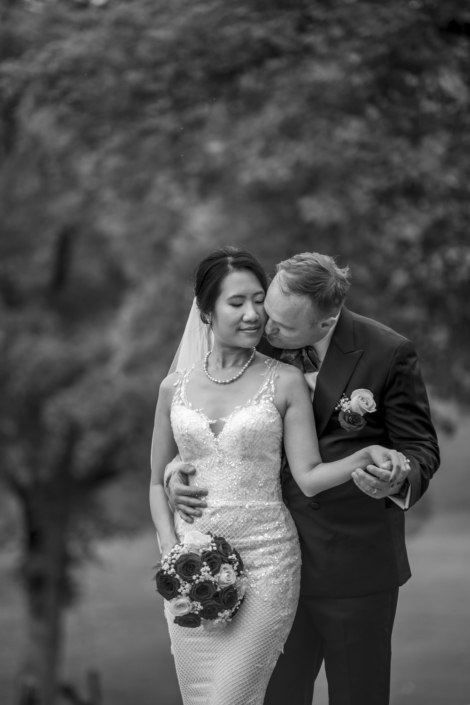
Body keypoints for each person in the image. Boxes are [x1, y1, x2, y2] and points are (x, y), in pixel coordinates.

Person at [166, 251, 440, 705]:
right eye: (265, 311)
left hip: (353, 566)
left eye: (281, 325)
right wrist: (179, 473)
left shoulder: (388, 352)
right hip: (264, 570)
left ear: (327, 319)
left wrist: (397, 477)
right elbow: (210, 420)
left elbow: (420, 449)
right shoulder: (257, 337)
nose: (263, 327)